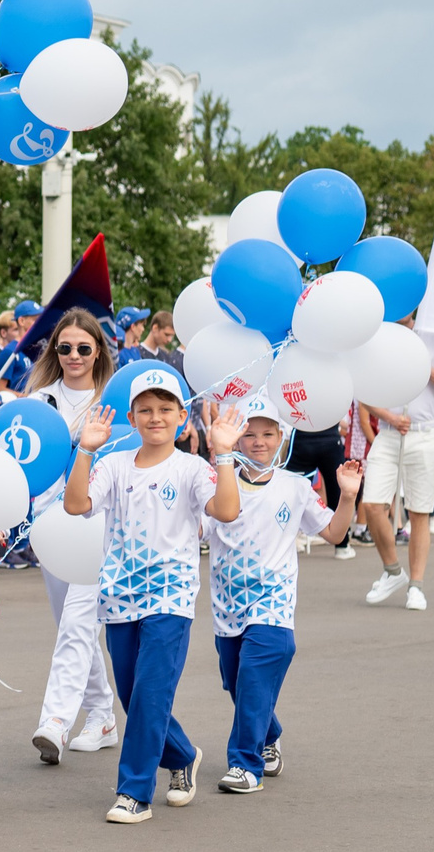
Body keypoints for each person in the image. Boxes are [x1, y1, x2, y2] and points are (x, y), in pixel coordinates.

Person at [61, 366, 243, 824]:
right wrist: (85, 449)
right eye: (146, 409)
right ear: (132, 416)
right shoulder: (114, 465)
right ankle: (181, 755)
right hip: (120, 595)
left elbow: (226, 509)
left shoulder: (191, 468)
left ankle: (134, 792)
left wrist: (223, 454)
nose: (155, 417)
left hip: (171, 596)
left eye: (165, 409)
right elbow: (76, 504)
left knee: (151, 691)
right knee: (132, 692)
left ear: (182, 417)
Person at [206, 393, 362, 793]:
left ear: (282, 438)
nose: (259, 442)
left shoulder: (294, 487)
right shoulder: (218, 485)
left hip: (272, 602)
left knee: (256, 675)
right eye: (250, 434)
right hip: (227, 605)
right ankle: (268, 734)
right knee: (237, 684)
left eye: (267, 434)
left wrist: (346, 494)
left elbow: (333, 533)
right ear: (237, 439)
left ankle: (245, 765)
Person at [22, 310, 122, 762]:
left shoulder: (116, 400)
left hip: (98, 524)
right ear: (54, 351)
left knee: (79, 622)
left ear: (98, 350)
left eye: (84, 347)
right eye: (65, 348)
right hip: (48, 526)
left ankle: (55, 721)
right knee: (72, 627)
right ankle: (102, 713)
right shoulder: (37, 402)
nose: (74, 355)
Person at [356, 319, 434, 613]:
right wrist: (388, 417)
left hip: (424, 433)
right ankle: (392, 572)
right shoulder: (378, 338)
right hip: (389, 434)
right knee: (373, 504)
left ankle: (416, 586)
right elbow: (363, 392)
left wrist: (423, 368)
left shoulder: (433, 336)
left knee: (419, 512)